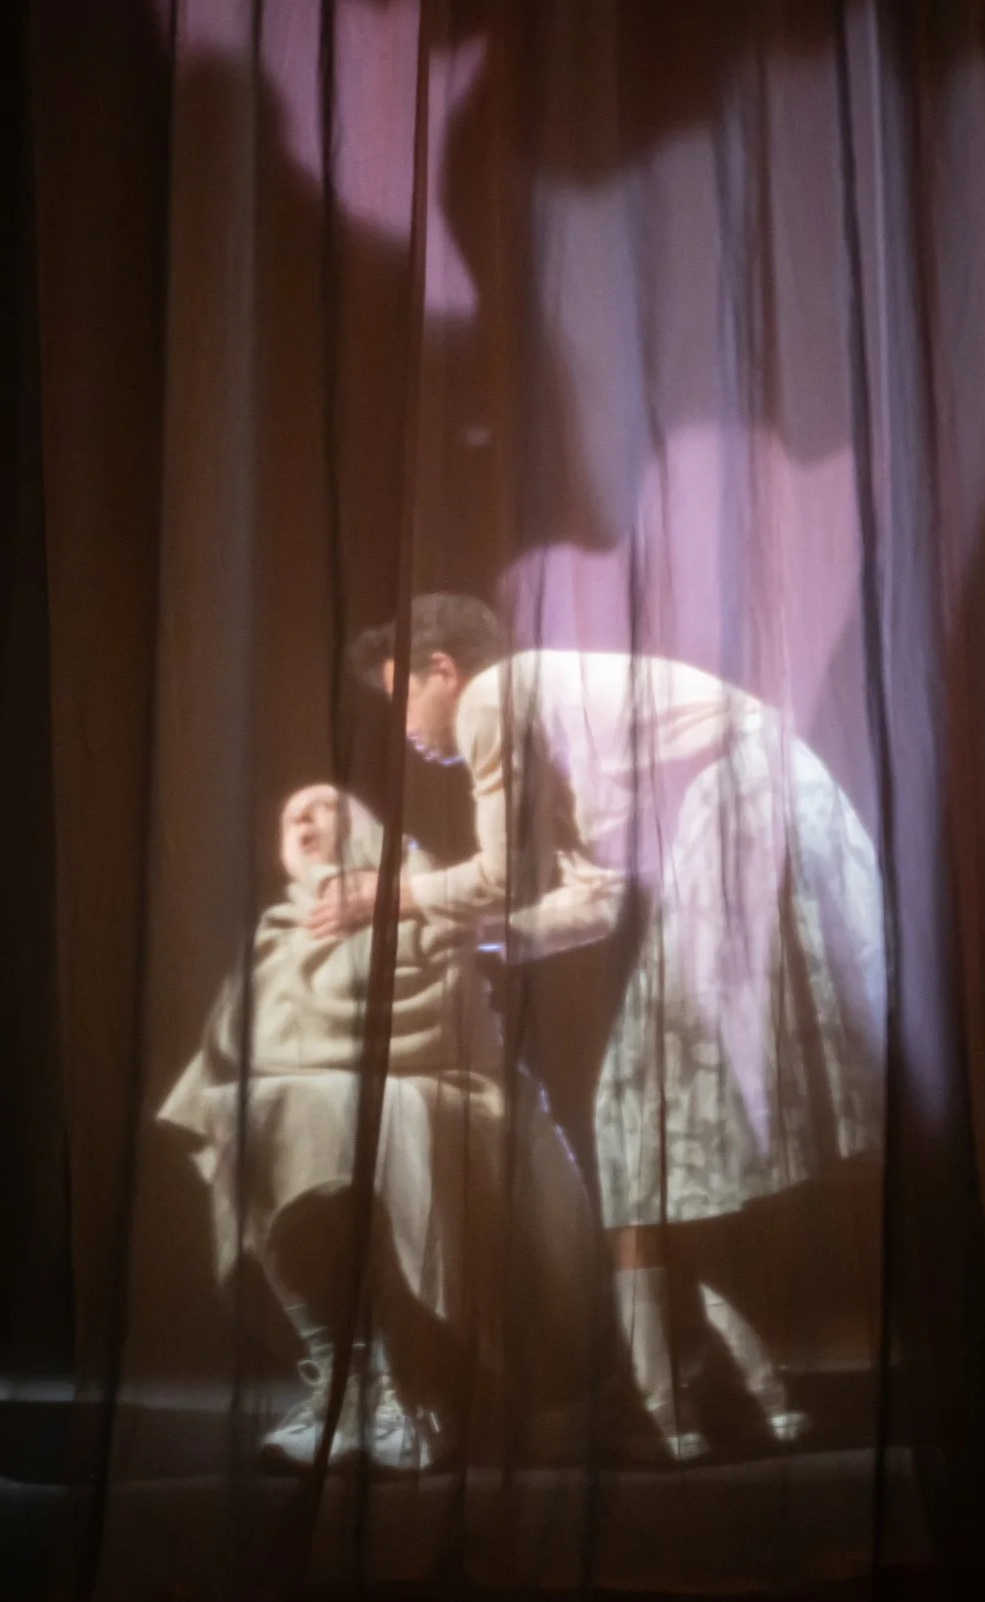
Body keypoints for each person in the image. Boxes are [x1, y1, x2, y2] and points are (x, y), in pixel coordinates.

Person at [312, 594, 885, 1461]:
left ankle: (666, 1411)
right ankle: (739, 1392)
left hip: (741, 825)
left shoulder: (492, 697)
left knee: (636, 1128)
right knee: (660, 1141)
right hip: (764, 818)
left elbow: (505, 876)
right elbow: (591, 898)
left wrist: (387, 895)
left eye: (403, 701)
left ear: (443, 669)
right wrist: (454, 930)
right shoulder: (568, 721)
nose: (408, 732)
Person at [158, 784, 561, 1471]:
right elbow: (230, 1049)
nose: (302, 819)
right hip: (310, 1099)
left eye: (322, 806)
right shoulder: (278, 929)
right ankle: (346, 1381)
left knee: (356, 1109)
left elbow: (440, 1022)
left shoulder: (428, 897)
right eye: (289, 816)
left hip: (441, 1087)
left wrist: (397, 900)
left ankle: (409, 1386)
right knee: (253, 1114)